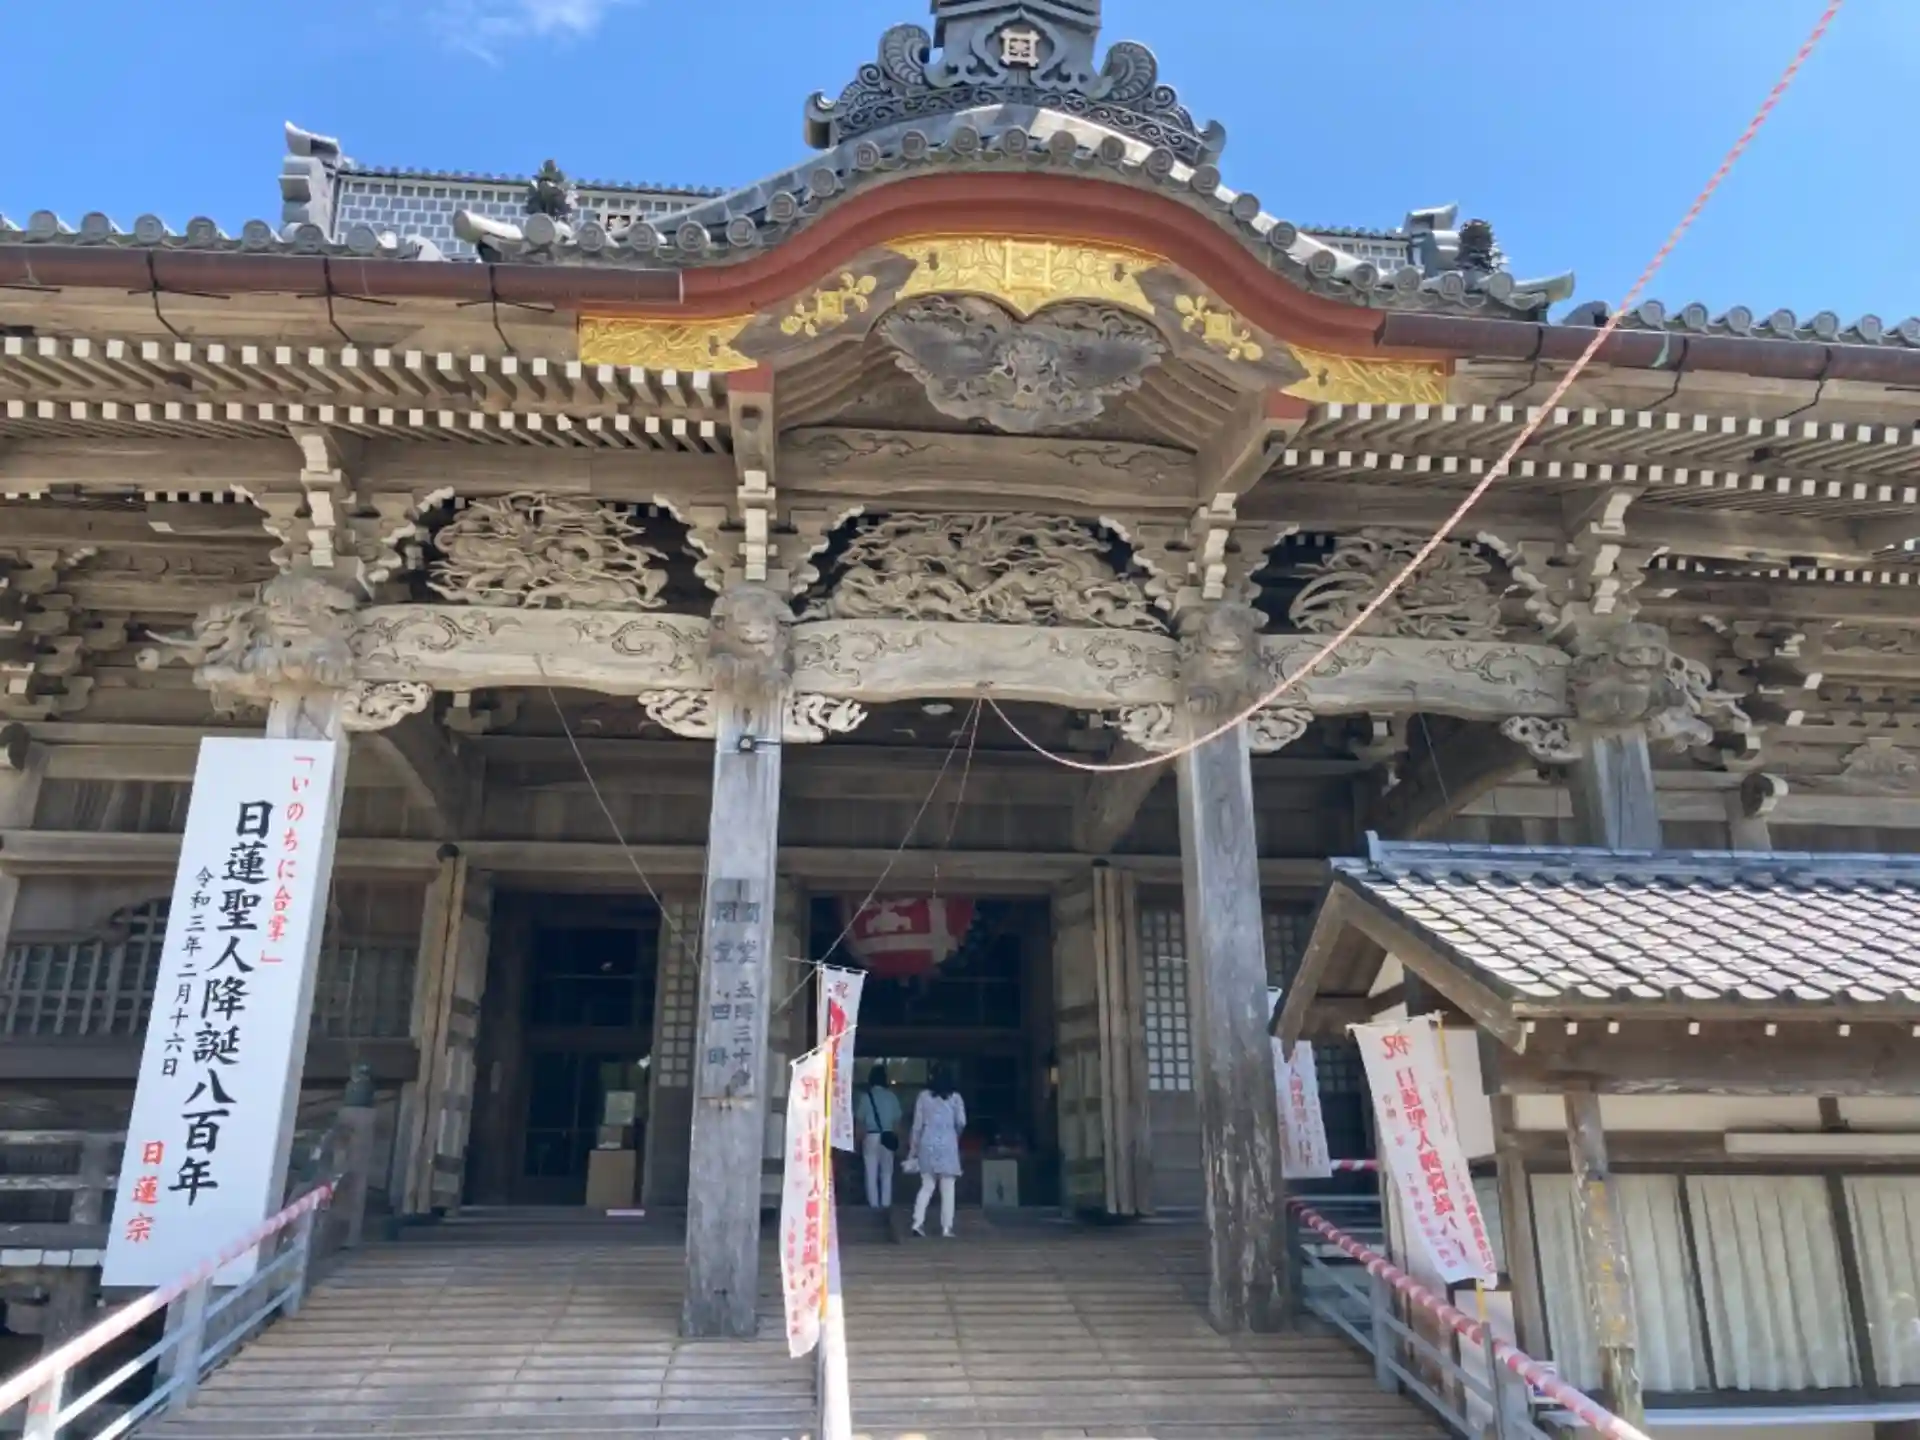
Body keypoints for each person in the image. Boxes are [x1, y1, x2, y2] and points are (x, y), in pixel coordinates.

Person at [908, 1065, 966, 1238]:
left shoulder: (923, 1097)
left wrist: (913, 1149)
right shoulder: (955, 1098)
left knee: (927, 1186)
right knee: (948, 1188)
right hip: (948, 1144)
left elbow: (917, 1126)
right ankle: (946, 1228)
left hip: (928, 1143)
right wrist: (955, 1135)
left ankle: (917, 1223)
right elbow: (961, 1122)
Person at [857, 1062, 903, 1211]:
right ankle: (886, 1204)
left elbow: (860, 1121)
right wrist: (898, 1139)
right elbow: (897, 1121)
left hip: (871, 1136)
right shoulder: (892, 1097)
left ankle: (874, 1205)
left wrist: (858, 1140)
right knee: (887, 1173)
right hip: (888, 1136)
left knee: (871, 1172)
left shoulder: (865, 1097)